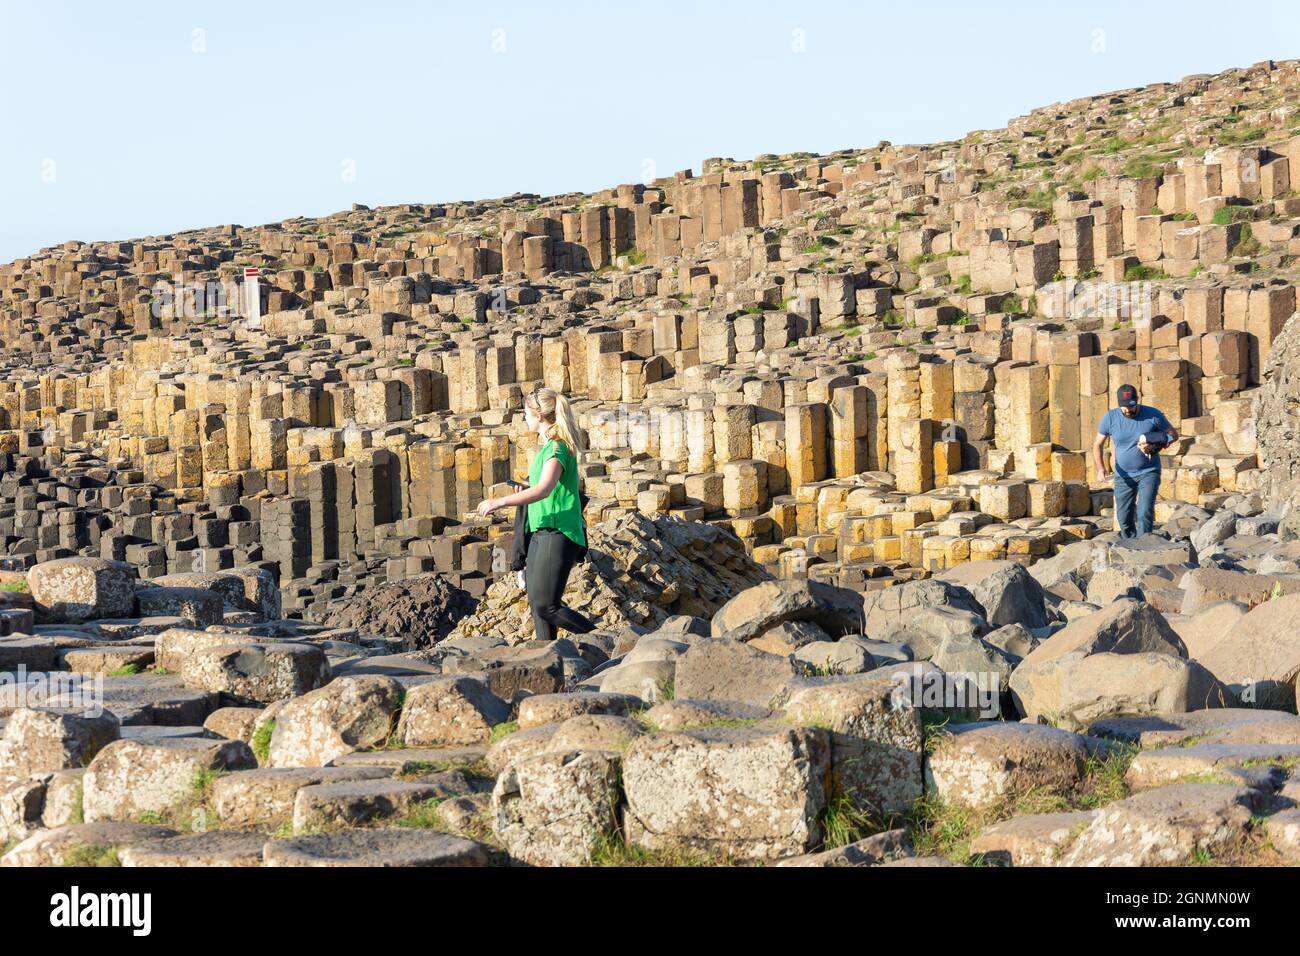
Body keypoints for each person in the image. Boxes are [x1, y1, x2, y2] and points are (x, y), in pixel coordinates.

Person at [476, 387, 595, 641]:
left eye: (526, 413)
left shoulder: (558, 448)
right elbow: (542, 488)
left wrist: (500, 501)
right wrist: (525, 489)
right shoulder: (548, 448)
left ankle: (605, 641)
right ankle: (548, 659)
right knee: (537, 606)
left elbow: (543, 490)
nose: (524, 418)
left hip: (559, 531)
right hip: (542, 530)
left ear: (539, 415)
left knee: (547, 606)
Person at [1092, 383, 1178, 539]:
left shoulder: (1153, 415)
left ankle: (1145, 545)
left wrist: (1154, 445)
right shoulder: (1110, 418)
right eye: (1124, 407)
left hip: (1149, 471)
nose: (1128, 410)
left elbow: (1173, 435)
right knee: (1123, 518)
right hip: (1123, 475)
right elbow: (1097, 444)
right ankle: (1130, 543)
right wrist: (1100, 469)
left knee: (1144, 510)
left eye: (1131, 406)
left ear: (1137, 400)